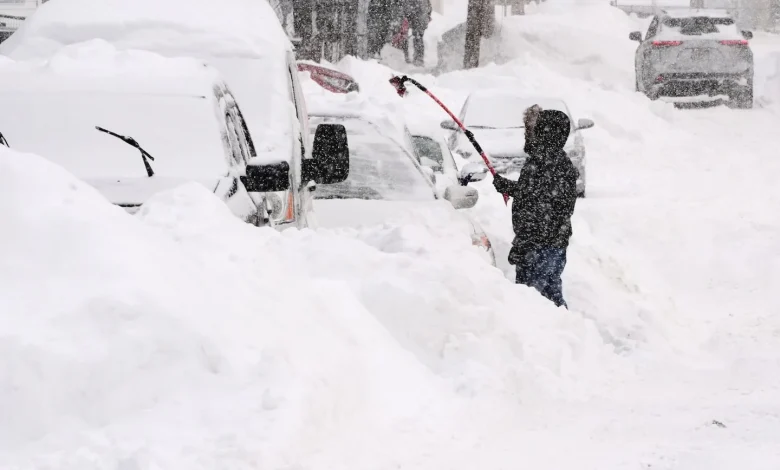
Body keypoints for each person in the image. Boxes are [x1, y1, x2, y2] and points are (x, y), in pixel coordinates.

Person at [492, 107, 579, 308]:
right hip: (551, 243)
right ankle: (567, 331)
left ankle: (554, 334)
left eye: (535, 129)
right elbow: (535, 194)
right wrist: (509, 187)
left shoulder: (545, 162)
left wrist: (526, 243)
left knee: (532, 303)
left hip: (539, 245)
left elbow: (538, 201)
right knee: (550, 296)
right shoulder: (557, 161)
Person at [401, 0, 432, 66]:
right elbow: (429, 7)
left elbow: (408, 9)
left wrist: (407, 17)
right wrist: (428, 15)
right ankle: (419, 58)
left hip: (417, 19)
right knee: (419, 37)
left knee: (415, 37)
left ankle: (414, 58)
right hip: (422, 19)